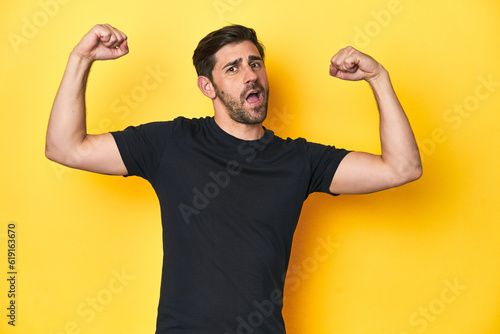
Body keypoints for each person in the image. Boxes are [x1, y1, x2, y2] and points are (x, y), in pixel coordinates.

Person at [45, 23, 422, 334]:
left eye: (255, 63)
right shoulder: (171, 144)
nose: (251, 76)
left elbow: (402, 168)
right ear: (208, 87)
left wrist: (379, 79)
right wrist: (81, 59)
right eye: (233, 68)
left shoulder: (300, 159)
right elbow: (65, 147)